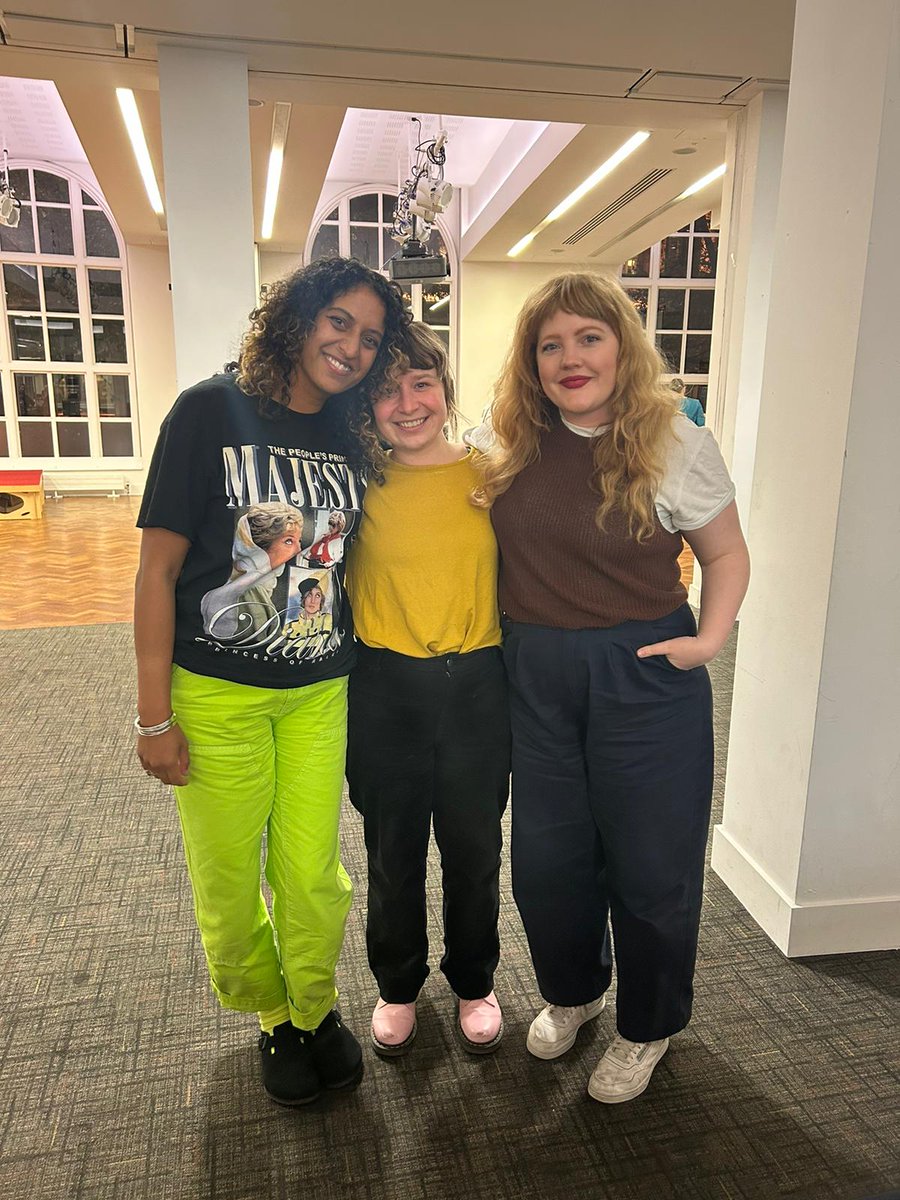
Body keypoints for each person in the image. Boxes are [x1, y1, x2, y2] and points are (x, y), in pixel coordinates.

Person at [133, 257, 409, 1107]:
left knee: (312, 872)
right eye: (338, 323)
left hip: (322, 691)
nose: (352, 348)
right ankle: (273, 1018)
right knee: (227, 872)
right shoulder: (207, 412)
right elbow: (156, 571)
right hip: (216, 693)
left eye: (370, 338)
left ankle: (316, 1007)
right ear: (294, 318)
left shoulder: (354, 435)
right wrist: (153, 719)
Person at [474, 273, 750, 1103]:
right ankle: (576, 991)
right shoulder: (508, 436)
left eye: (588, 338)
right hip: (536, 672)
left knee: (651, 864)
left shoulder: (671, 440)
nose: (569, 358)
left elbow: (726, 554)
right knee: (550, 861)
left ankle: (649, 1025)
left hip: (643, 673)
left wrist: (708, 639)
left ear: (622, 346)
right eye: (550, 344)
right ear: (531, 361)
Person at [345, 322, 510, 1057]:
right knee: (394, 849)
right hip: (385, 688)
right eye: (386, 391)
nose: (407, 404)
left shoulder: (493, 477)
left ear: (444, 390)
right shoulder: (357, 482)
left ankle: (474, 979)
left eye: (421, 384)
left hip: (479, 684)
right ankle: (398, 984)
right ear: (367, 406)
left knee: (475, 848)